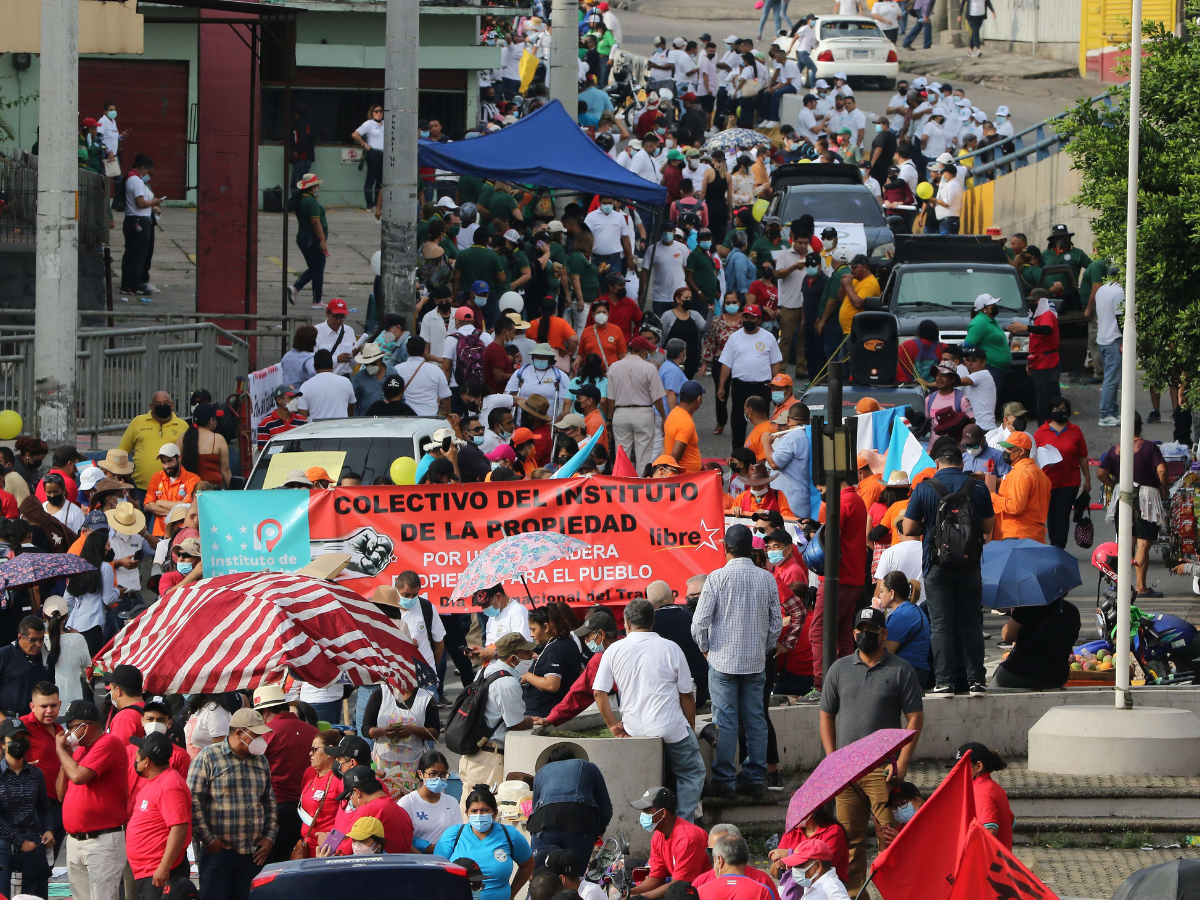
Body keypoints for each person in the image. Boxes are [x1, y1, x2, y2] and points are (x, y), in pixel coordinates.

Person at [819, 608, 923, 893]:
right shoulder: (839, 669)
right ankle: (855, 895)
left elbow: (915, 717)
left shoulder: (901, 669)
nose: (865, 634)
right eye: (860, 629)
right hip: (846, 771)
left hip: (883, 770)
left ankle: (899, 894)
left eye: (872, 629)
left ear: (884, 633)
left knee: (890, 837)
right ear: (853, 633)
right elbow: (826, 714)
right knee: (849, 841)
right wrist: (832, 758)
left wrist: (902, 761)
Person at [692, 524, 782, 799]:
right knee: (755, 719)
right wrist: (763, 649)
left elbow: (699, 624)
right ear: (752, 549)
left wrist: (706, 650)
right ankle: (755, 779)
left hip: (722, 661)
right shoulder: (767, 578)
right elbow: (776, 625)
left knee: (725, 720)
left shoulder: (716, 578)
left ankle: (724, 780)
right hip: (755, 661)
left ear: (726, 547)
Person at [594, 600, 705, 822]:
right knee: (692, 774)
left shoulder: (613, 650)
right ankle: (682, 824)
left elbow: (599, 693)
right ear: (653, 621)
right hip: (672, 728)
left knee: (647, 781)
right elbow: (686, 695)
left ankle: (651, 824)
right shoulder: (671, 648)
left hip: (634, 730)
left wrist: (613, 724)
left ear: (626, 622)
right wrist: (689, 728)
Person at [902, 438, 995, 696]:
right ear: (961, 461)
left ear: (936, 463)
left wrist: (931, 528)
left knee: (941, 624)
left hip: (936, 565)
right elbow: (987, 528)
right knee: (972, 623)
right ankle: (976, 680)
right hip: (970, 564)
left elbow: (908, 528)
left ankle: (945, 681)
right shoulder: (977, 488)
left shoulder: (924, 488)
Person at [186, 707, 278, 900]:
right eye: (256, 734)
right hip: (218, 855)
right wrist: (208, 839)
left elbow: (269, 802)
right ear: (239, 733)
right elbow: (192, 802)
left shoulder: (261, 761)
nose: (261, 740)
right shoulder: (207, 758)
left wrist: (269, 837)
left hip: (252, 855)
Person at [56, 699, 129, 900]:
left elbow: (79, 776)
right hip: (75, 841)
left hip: (102, 840)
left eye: (70, 727)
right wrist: (65, 760)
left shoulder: (108, 743)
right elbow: (61, 794)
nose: (67, 732)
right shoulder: (80, 750)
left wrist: (61, 752)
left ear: (84, 727)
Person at [807, 477, 868, 700]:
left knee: (819, 631)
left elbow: (831, 537)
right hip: (852, 578)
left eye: (821, 487)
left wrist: (814, 534)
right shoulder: (856, 499)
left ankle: (821, 685)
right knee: (842, 632)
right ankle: (846, 683)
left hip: (838, 579)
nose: (821, 491)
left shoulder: (843, 502)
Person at [1098, 413, 1168, 597]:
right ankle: (1141, 587)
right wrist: (1163, 488)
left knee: (1126, 543)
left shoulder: (1115, 449)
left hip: (1125, 495)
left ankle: (1121, 585)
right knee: (1143, 545)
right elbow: (1162, 469)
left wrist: (1115, 486)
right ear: (1140, 426)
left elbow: (1100, 473)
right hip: (1147, 497)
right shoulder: (1150, 448)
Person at [456, 631, 535, 796]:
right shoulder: (507, 684)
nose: (530, 656)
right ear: (513, 658)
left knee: (469, 808)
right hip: (489, 759)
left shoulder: (485, 671)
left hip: (473, 755)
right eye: (526, 653)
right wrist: (530, 721)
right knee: (484, 809)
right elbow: (516, 723)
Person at [248, 685, 318, 863]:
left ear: (264, 711)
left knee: (269, 866)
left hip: (273, 809)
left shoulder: (266, 734)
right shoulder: (315, 733)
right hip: (306, 810)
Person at [434, 784, 533, 900]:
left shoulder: (510, 835)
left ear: (495, 813)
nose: (479, 815)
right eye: (474, 811)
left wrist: (511, 894)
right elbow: (436, 871)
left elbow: (527, 866)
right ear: (467, 813)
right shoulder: (453, 835)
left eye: (485, 810)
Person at [126, 730, 192, 896]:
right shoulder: (154, 781)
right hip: (147, 871)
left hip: (159, 874)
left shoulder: (169, 785)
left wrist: (164, 867)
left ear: (146, 761)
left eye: (137, 759)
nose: (135, 762)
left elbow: (179, 827)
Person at [528, 745, 612, 862]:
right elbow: (606, 808)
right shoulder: (588, 767)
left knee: (542, 874)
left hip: (544, 823)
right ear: (574, 758)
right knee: (573, 875)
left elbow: (535, 808)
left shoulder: (542, 772)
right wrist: (597, 832)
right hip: (580, 825)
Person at [0, 716, 53, 899]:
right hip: (4, 845)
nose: (20, 743)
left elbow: (44, 807)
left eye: (24, 738)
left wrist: (48, 829)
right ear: (3, 744)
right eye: (14, 739)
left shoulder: (35, 774)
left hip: (32, 841)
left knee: (36, 894)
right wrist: (20, 842)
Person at [718, 304, 782, 450]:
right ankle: (738, 456)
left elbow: (775, 364)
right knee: (738, 423)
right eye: (746, 316)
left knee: (763, 424)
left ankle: (763, 454)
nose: (749, 320)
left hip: (762, 387)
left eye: (752, 318)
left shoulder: (768, 337)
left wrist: (777, 386)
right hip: (740, 387)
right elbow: (726, 365)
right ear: (742, 317)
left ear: (759, 319)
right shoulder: (734, 338)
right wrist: (722, 386)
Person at [628, 786, 709, 898]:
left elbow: (678, 886)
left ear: (663, 813)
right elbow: (656, 878)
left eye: (646, 811)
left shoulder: (688, 839)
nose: (642, 815)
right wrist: (631, 892)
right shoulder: (658, 835)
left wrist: (641, 897)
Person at [1033, 397, 1090, 549]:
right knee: (1051, 514)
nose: (1059, 412)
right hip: (1048, 481)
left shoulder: (1075, 431)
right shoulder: (1040, 432)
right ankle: (1054, 542)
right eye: (1056, 409)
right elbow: (1034, 457)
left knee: (1063, 513)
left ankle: (1059, 545)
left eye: (1063, 409)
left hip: (1070, 481)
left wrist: (1087, 479)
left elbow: (1082, 457)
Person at [608, 337, 668, 475]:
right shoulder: (649, 368)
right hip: (643, 413)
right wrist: (663, 417)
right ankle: (641, 488)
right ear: (642, 351)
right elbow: (657, 397)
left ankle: (622, 487)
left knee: (622, 454)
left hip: (620, 412)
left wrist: (610, 419)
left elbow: (611, 398)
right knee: (644, 455)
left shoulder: (614, 367)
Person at [992, 596, 1080, 690]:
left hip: (1020, 670)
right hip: (1058, 675)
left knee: (992, 690)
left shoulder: (1028, 607)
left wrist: (1014, 613)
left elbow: (1007, 636)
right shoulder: (1072, 610)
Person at [330, 766, 414, 854]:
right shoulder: (401, 810)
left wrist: (328, 841)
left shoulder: (366, 811)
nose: (350, 802)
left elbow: (345, 850)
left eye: (348, 797)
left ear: (357, 792)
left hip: (379, 866)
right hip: (403, 865)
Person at [118, 394, 189, 495]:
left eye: (166, 403)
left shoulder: (183, 426)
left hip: (171, 489)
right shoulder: (137, 422)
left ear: (172, 405)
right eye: (158, 404)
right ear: (151, 406)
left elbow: (187, 455)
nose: (162, 406)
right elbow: (122, 451)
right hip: (140, 488)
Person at [990, 432, 1051, 542]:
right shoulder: (1040, 474)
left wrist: (993, 497)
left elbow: (1016, 506)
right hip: (1034, 535)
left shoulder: (1020, 473)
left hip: (1016, 535)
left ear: (1022, 451)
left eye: (1009, 449)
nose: (1005, 452)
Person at [875, 572, 932, 688]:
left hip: (907, 674)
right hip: (915, 673)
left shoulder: (901, 615)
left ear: (891, 593)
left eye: (881, 592)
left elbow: (886, 653)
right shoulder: (911, 609)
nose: (879, 596)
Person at [398, 750, 463, 852]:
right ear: (420, 774)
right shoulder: (407, 803)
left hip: (445, 859)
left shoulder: (452, 803)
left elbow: (457, 838)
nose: (438, 778)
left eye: (442, 775)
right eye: (433, 774)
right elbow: (400, 839)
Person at [120, 155, 163, 297]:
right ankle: (136, 286)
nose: (148, 176)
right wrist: (154, 202)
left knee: (130, 254)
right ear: (143, 169)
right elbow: (140, 203)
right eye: (148, 172)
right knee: (139, 255)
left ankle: (126, 285)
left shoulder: (130, 178)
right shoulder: (136, 180)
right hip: (139, 220)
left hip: (131, 219)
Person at [955, 742, 1013, 847]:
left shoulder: (981, 792)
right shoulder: (994, 787)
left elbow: (990, 830)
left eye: (962, 767)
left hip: (987, 863)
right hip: (999, 861)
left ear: (979, 766)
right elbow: (1011, 823)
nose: (957, 772)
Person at [143, 443, 199, 538]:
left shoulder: (193, 479)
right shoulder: (156, 477)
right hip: (159, 533)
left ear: (179, 458)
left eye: (170, 461)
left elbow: (188, 507)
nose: (166, 465)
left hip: (183, 532)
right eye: (163, 462)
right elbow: (148, 506)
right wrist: (177, 512)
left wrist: (159, 502)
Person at [291, 172, 330, 309]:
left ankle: (296, 289)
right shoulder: (311, 202)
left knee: (314, 268)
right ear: (313, 187)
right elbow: (315, 222)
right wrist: (323, 240)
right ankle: (316, 299)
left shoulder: (302, 199)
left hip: (303, 237)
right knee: (318, 268)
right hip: (312, 238)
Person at [0, 616, 50, 720]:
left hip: (36, 718)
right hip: (9, 718)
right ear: (20, 637)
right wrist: (2, 720)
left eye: (41, 639)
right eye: (33, 640)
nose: (38, 644)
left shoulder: (45, 656)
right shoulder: (5, 655)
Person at [964, 294, 1012, 395]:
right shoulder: (980, 322)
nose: (995, 306)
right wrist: (983, 360)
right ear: (984, 308)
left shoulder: (990, 320)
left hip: (998, 368)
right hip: (991, 368)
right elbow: (968, 345)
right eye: (992, 305)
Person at [1093, 270, 1124, 426]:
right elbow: (1120, 317)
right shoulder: (1118, 291)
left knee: (1110, 378)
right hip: (1113, 339)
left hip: (1102, 339)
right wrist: (1125, 337)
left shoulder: (1102, 290)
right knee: (1112, 380)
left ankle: (1113, 411)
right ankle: (1105, 414)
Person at [181, 404, 231, 488]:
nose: (216, 422)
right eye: (216, 419)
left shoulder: (183, 437)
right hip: (212, 490)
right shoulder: (217, 439)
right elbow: (225, 470)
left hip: (188, 489)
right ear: (211, 420)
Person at [298, 349, 357, 420]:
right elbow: (351, 408)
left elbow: (302, 417)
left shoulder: (305, 386)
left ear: (314, 366)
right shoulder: (346, 382)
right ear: (332, 364)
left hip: (315, 429)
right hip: (340, 428)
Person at [781, 840, 850, 900]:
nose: (794, 869)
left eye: (799, 865)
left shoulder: (832, 889)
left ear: (818, 866)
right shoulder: (812, 883)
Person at [315, 297, 363, 378]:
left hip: (345, 376)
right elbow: (312, 359)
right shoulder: (317, 331)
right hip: (324, 377)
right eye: (335, 317)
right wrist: (336, 359)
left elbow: (354, 364)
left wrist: (355, 355)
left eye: (342, 317)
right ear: (327, 313)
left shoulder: (349, 331)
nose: (338, 321)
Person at [664, 380, 704, 473]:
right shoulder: (686, 422)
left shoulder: (673, 413)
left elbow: (664, 445)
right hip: (686, 479)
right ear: (699, 399)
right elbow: (675, 455)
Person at [351, 103, 385, 210]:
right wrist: (364, 145)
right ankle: (370, 204)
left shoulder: (385, 123)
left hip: (384, 154)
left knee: (380, 181)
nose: (379, 113)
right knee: (371, 179)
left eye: (380, 111)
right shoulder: (369, 123)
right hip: (373, 153)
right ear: (372, 113)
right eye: (376, 111)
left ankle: (377, 204)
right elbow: (355, 134)